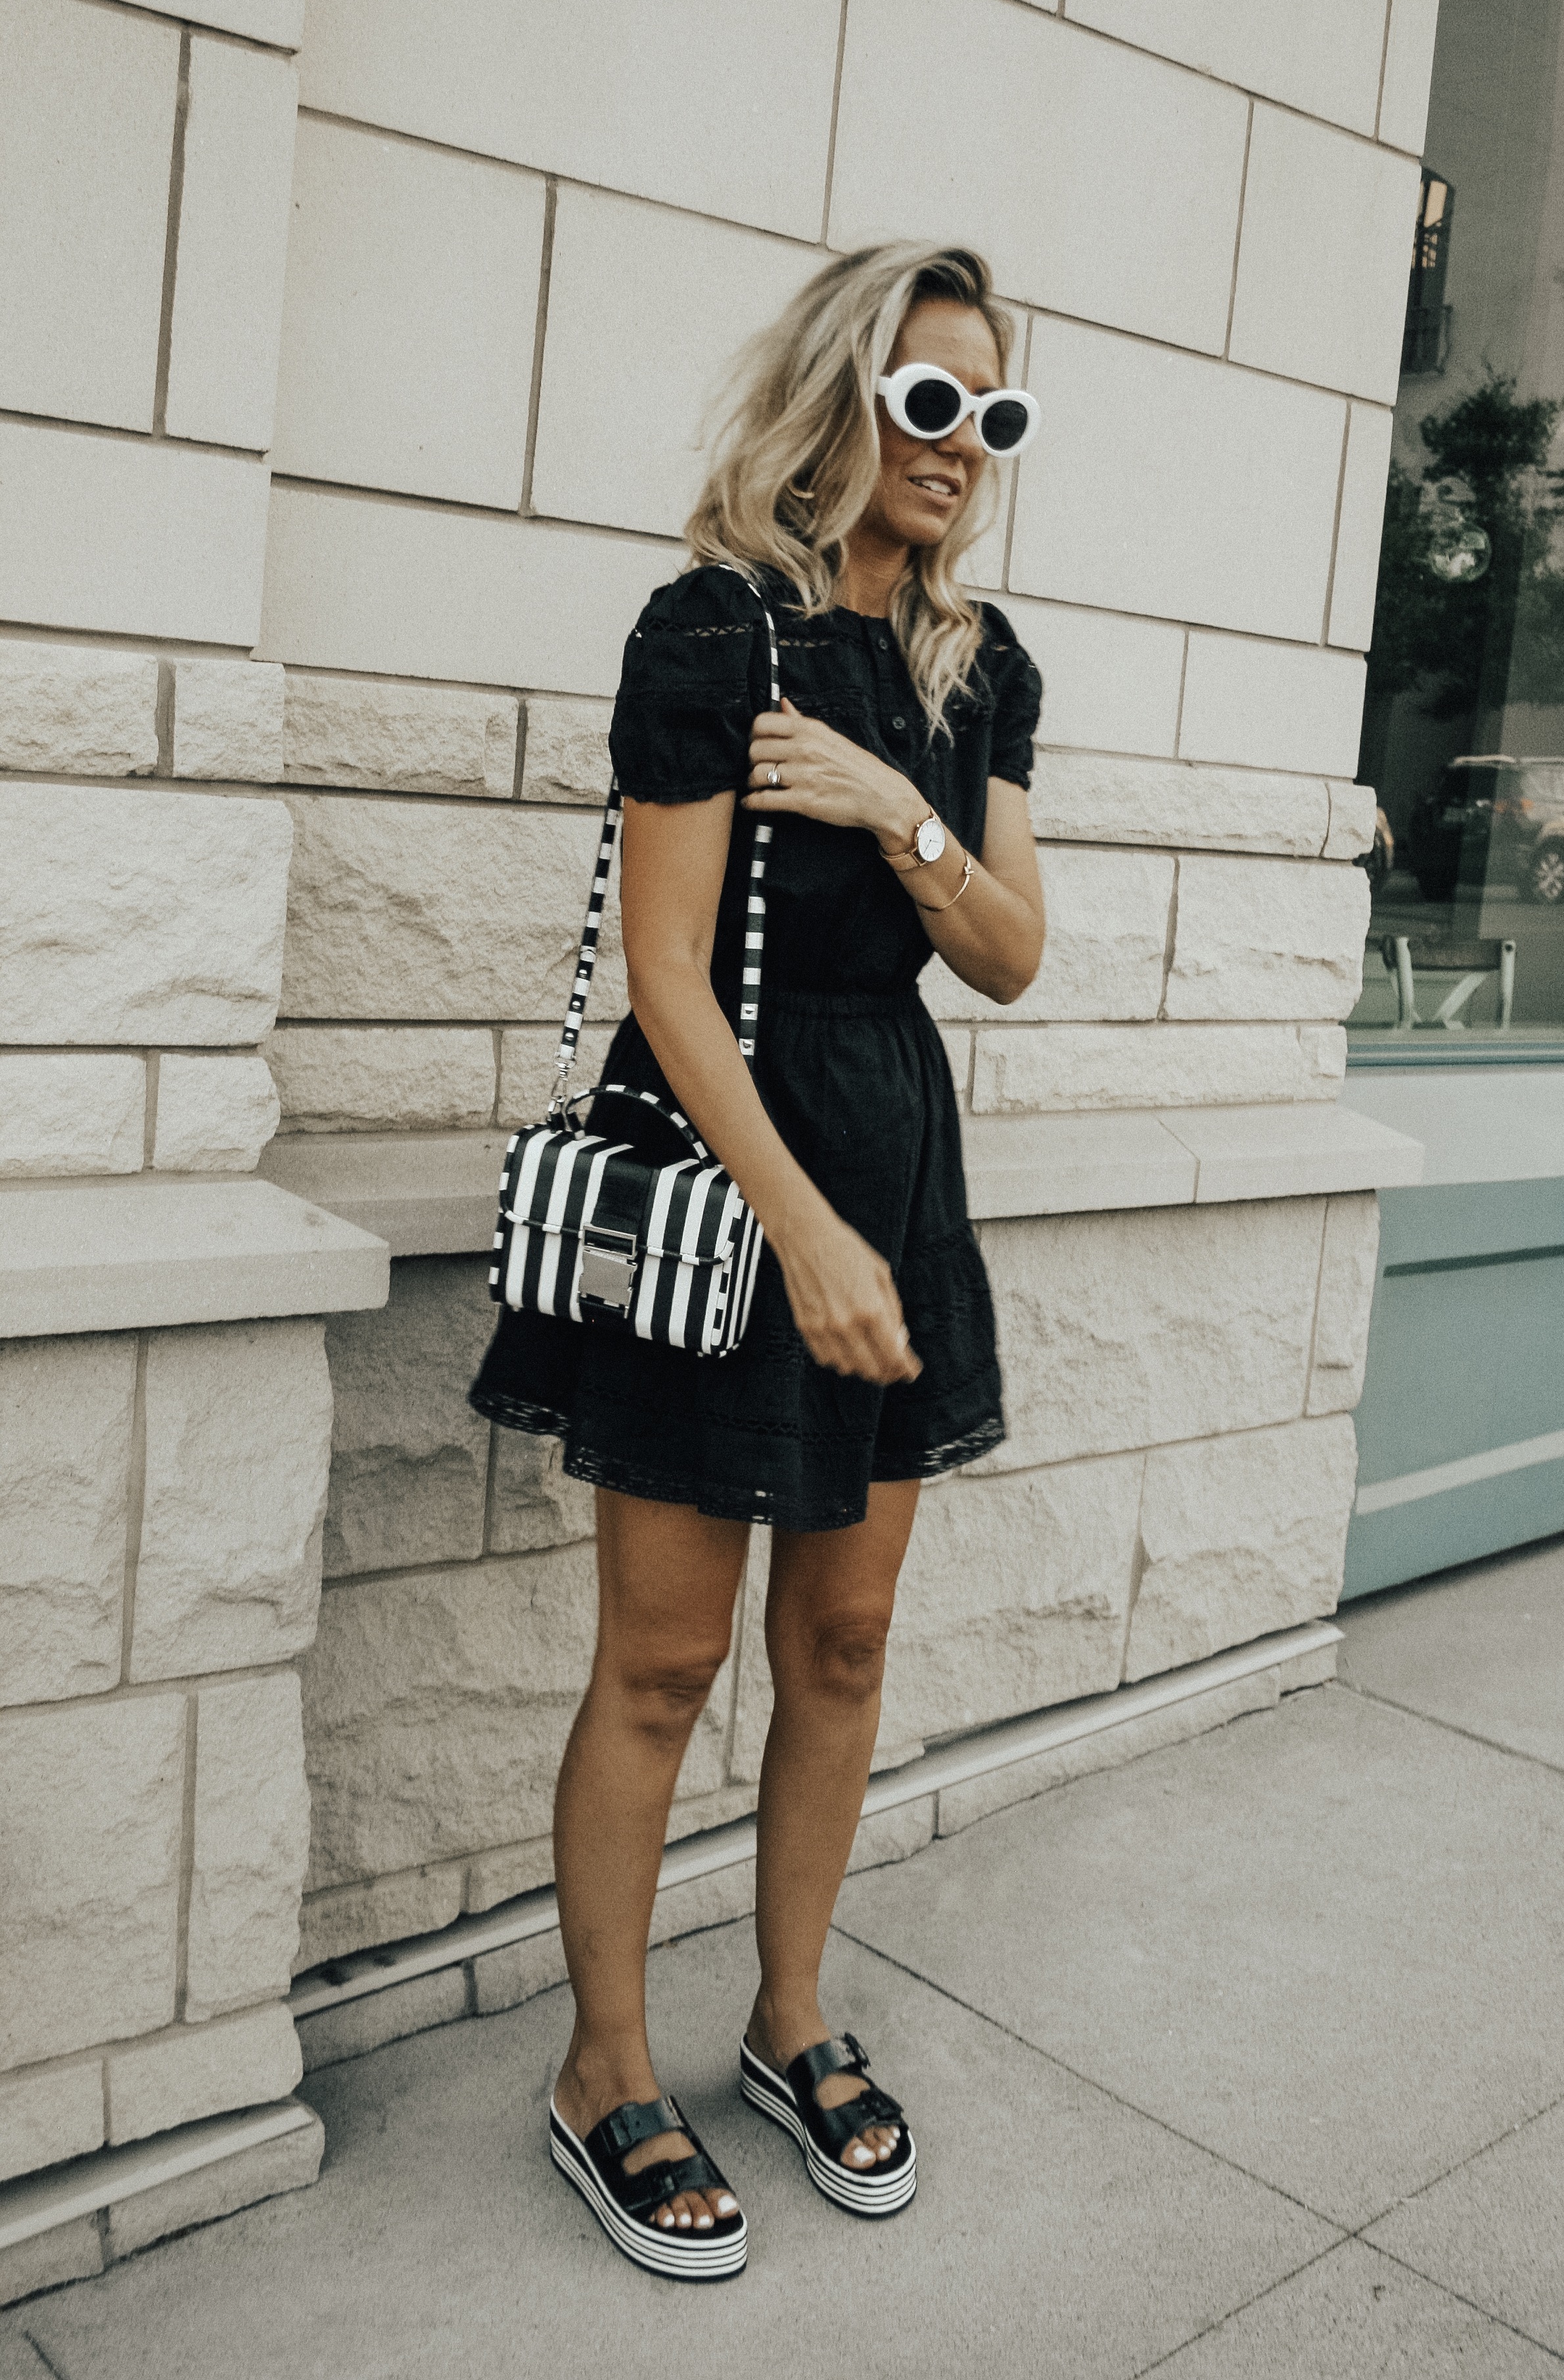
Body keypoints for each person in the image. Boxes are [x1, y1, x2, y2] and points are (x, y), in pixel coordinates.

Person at [470, 241, 1045, 2279]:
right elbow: (666, 980)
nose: (957, 448)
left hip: (896, 1169)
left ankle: (792, 2015)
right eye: (923, 401)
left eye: (991, 415)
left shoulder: (978, 674)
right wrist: (798, 1225)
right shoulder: (709, 634)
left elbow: (1005, 951)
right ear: (838, 400)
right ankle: (602, 2066)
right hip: (734, 1184)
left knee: (845, 1645)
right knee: (660, 1655)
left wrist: (904, 806)